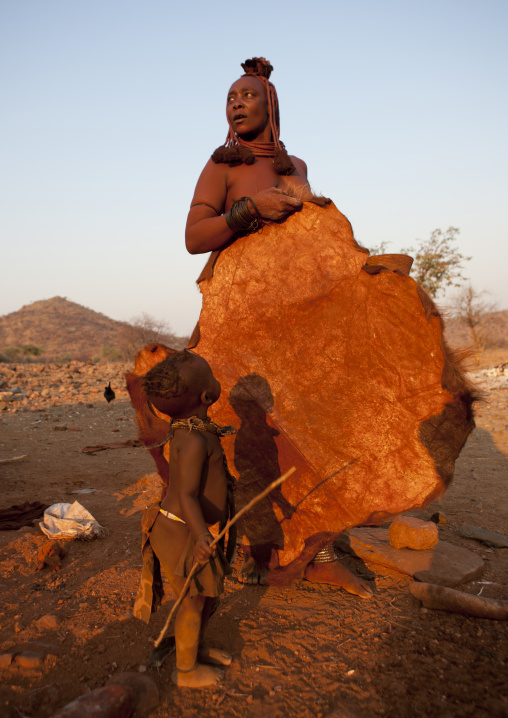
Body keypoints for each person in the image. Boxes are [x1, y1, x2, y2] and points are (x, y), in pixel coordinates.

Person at [184, 58, 373, 598]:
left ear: (270, 105)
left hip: (297, 312)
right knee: (249, 426)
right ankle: (253, 548)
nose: (236, 103)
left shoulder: (297, 165)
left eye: (246, 95)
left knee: (311, 423)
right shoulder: (220, 167)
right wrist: (250, 209)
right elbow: (195, 237)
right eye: (229, 97)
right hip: (239, 312)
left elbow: (311, 233)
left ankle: (320, 550)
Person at [132, 349, 234, 688]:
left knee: (204, 595)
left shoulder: (191, 429)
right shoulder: (192, 439)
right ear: (208, 395)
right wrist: (202, 535)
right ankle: (186, 670)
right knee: (191, 601)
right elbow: (187, 494)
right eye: (212, 377)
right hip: (181, 532)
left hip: (186, 528)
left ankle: (197, 650)